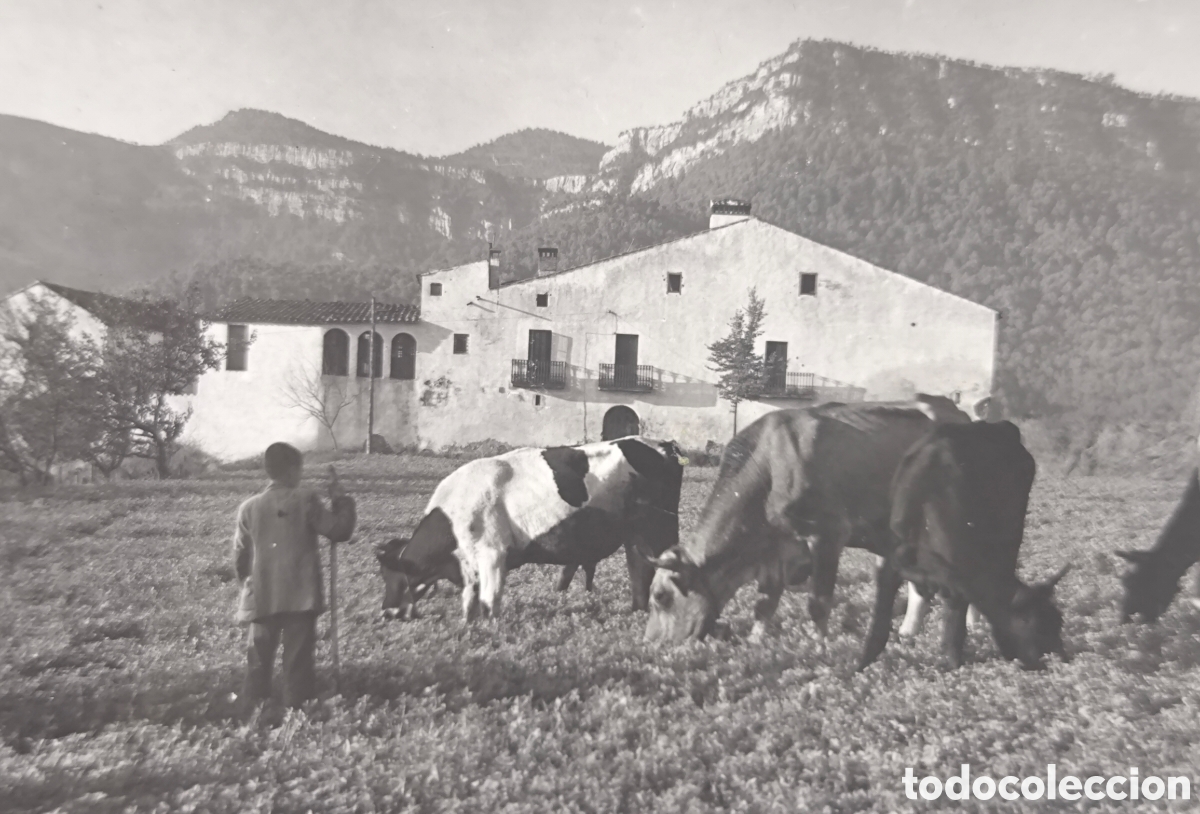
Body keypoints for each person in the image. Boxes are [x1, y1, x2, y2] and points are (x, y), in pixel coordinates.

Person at [233, 442, 356, 709]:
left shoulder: (248, 508)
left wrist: (250, 585)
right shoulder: (306, 500)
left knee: (257, 663)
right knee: (297, 665)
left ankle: (254, 717)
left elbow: (241, 557)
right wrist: (341, 500)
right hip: (300, 595)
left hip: (261, 596)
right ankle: (296, 716)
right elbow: (339, 531)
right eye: (299, 469)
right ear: (291, 471)